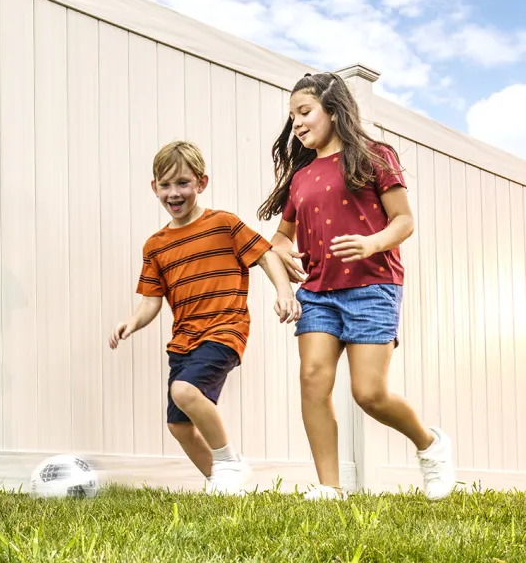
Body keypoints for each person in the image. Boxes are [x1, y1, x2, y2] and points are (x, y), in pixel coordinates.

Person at [257, 72, 456, 501]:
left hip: (373, 286)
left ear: (333, 108)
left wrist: (371, 242)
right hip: (318, 293)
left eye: (304, 112)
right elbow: (278, 240)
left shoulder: (374, 156)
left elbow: (404, 221)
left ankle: (430, 444)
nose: (298, 124)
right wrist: (284, 273)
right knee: (312, 379)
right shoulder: (302, 177)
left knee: (369, 393)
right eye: (292, 118)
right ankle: (330, 488)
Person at [108, 140, 301, 495]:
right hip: (184, 339)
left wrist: (284, 292)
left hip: (225, 329)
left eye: (183, 183)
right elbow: (151, 300)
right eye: (165, 185)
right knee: (179, 424)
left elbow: (267, 255)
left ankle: (230, 462)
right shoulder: (156, 245)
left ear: (201, 182)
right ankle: (224, 487)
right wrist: (132, 322)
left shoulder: (223, 224)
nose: (174, 192)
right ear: (154, 188)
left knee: (185, 390)